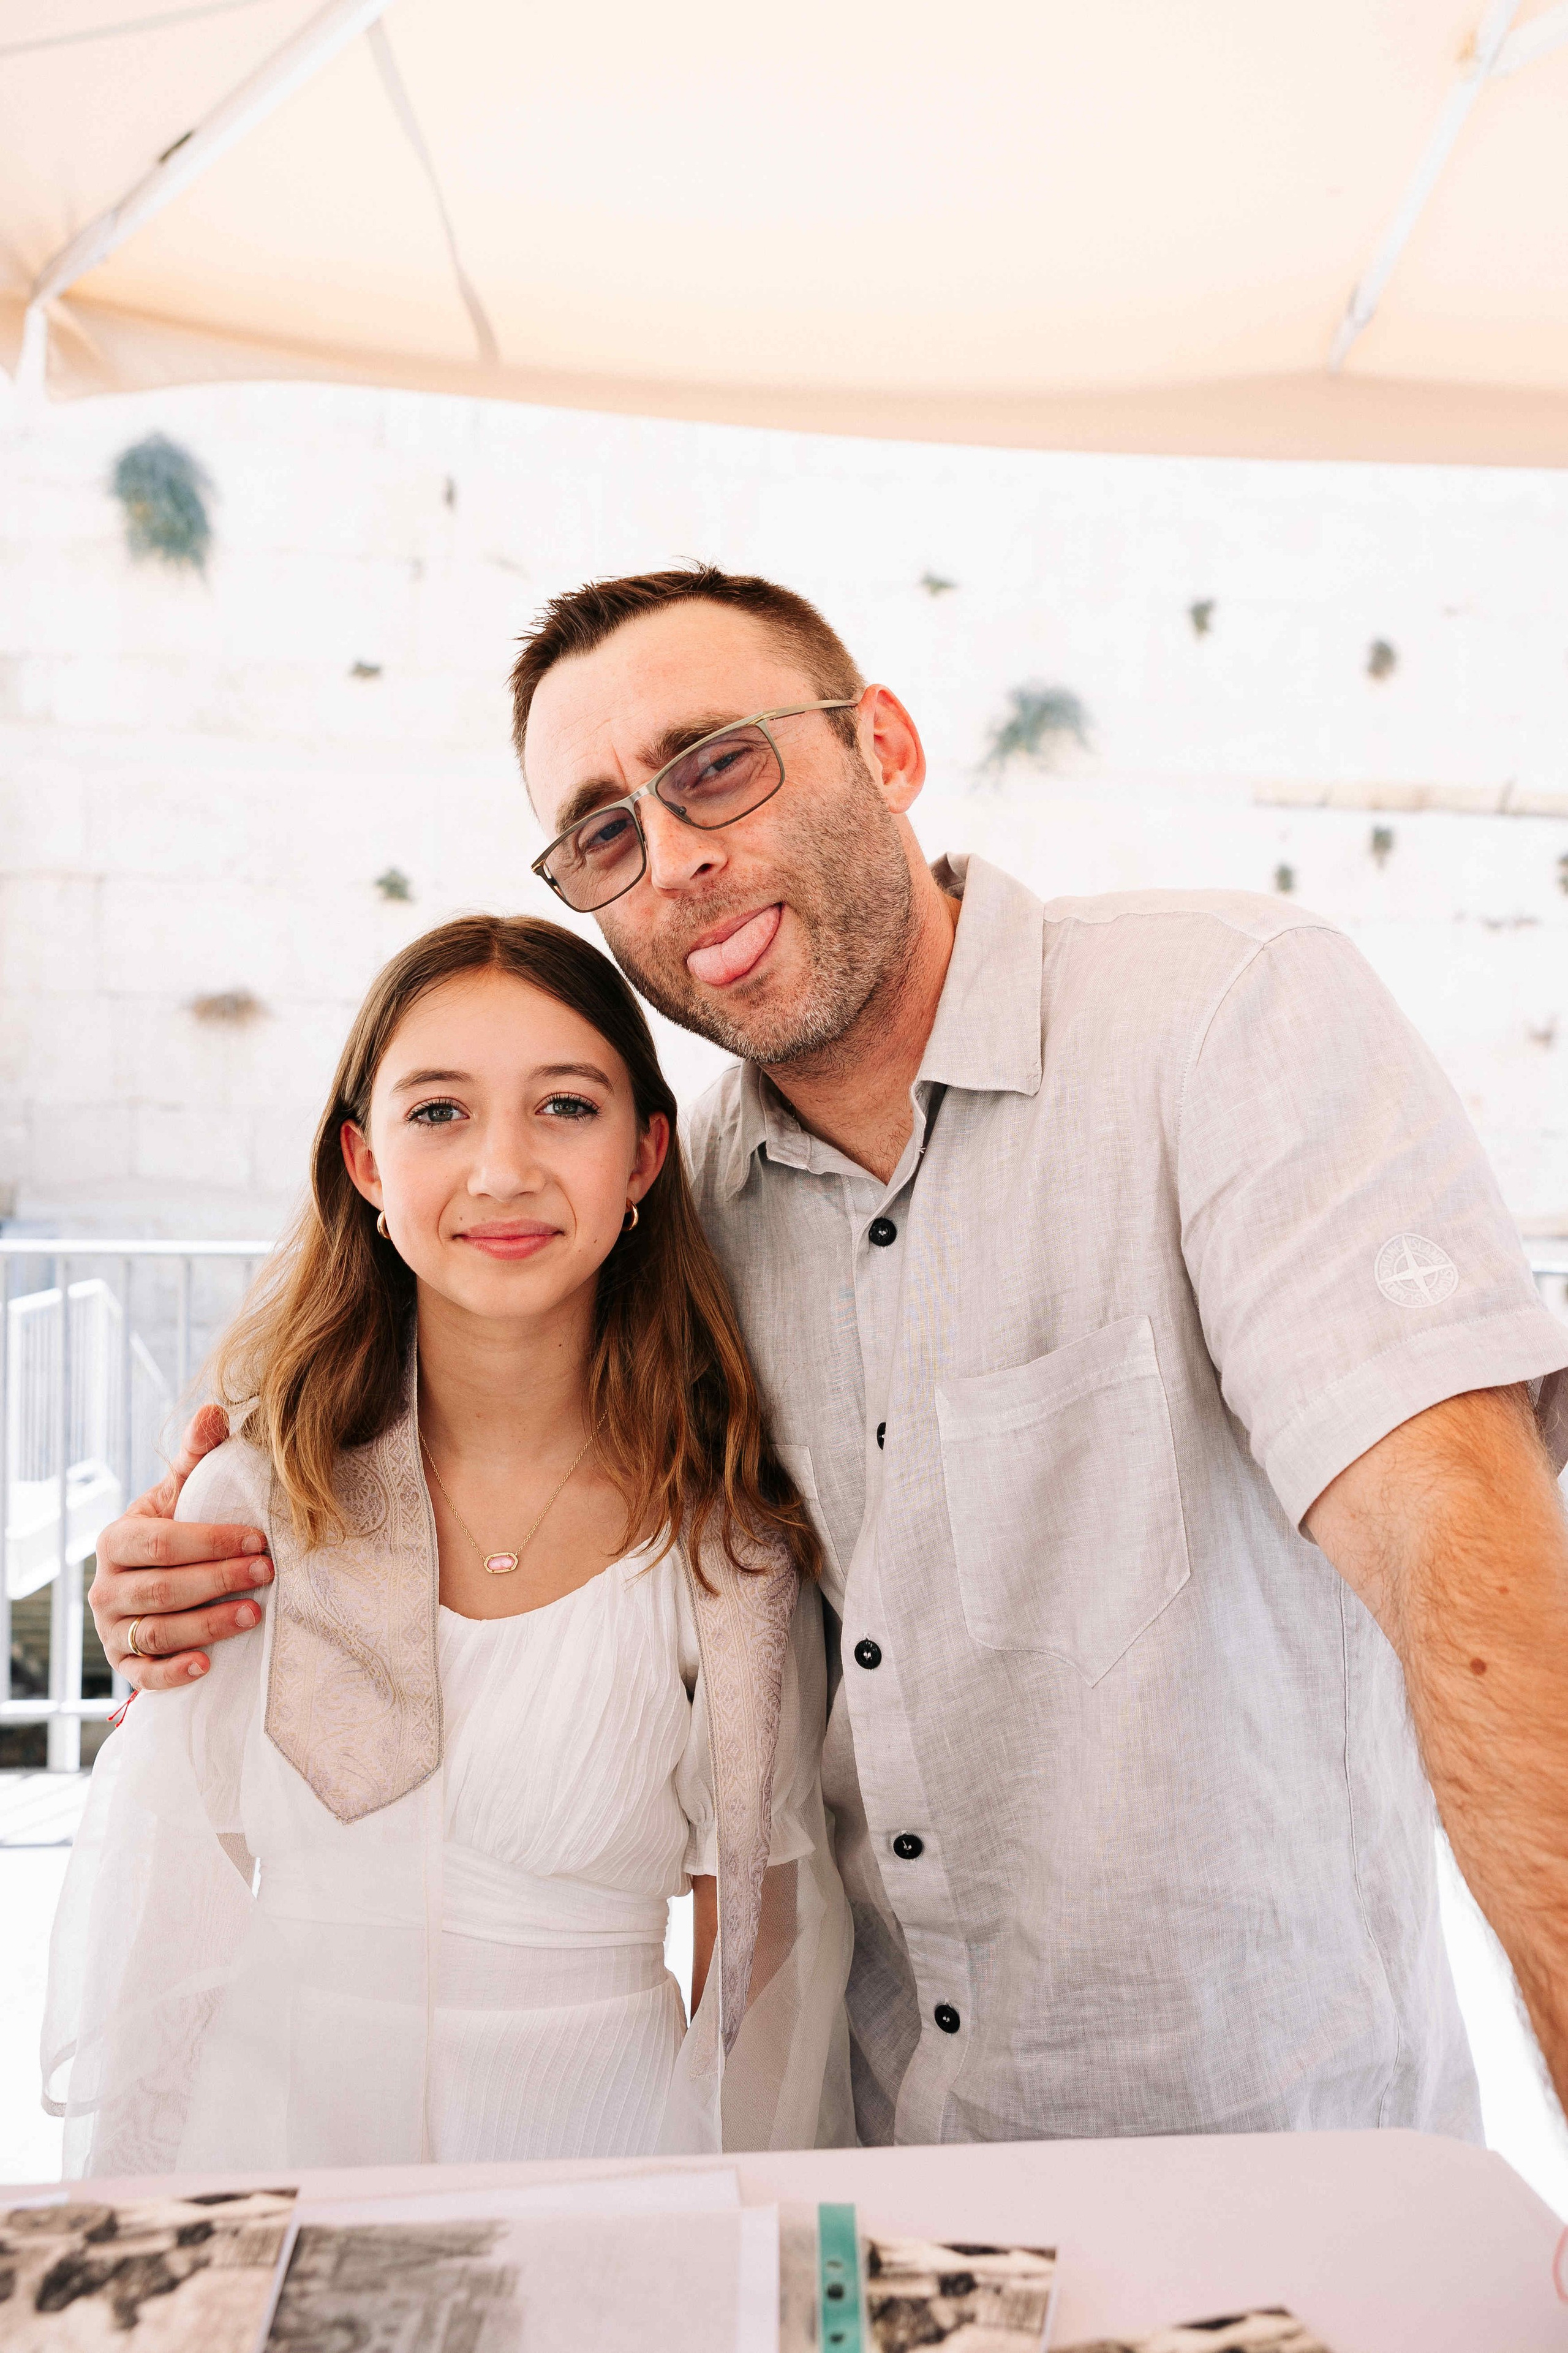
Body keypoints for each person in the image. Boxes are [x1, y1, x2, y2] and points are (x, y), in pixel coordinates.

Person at [89, 567, 1568, 2152]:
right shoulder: (688, 1223)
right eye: (605, 831)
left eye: (715, 761)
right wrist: (175, 1580)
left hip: (1266, 2148)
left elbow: (1457, 1548)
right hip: (889, 2177)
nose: (675, 860)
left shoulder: (1217, 1020)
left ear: (888, 742)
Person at [46, 912, 852, 2177]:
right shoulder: (256, 1499)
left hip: (605, 2152)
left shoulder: (725, 1546)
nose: (501, 1170)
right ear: (363, 1161)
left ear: (645, 1154)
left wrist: (721, 2229)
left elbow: (758, 1953)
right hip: (281, 2148)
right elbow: (169, 1909)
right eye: (438, 1113)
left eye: (565, 1107)